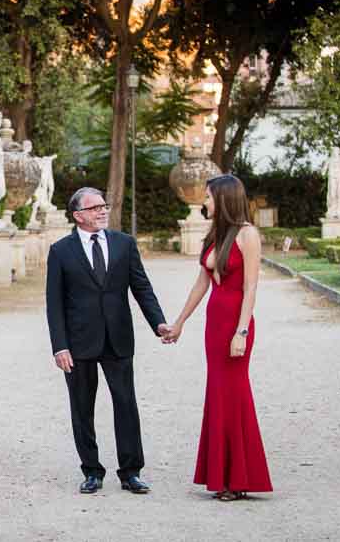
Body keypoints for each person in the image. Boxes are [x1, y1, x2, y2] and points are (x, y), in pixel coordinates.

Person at [45, 187, 169, 494]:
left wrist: (159, 322)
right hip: (78, 344)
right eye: (95, 208)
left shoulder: (124, 244)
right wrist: (60, 346)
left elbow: (142, 287)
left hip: (118, 338)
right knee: (82, 409)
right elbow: (54, 303)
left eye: (104, 206)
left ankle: (131, 472)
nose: (103, 211)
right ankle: (92, 471)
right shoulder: (61, 251)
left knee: (126, 404)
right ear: (78, 216)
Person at [160, 174, 273, 501]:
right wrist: (179, 322)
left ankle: (237, 477)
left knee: (233, 395)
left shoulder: (247, 234)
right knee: (218, 395)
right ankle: (222, 475)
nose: (204, 202)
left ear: (223, 199)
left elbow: (251, 286)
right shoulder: (214, 236)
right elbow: (201, 284)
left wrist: (242, 330)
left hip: (236, 323)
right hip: (215, 324)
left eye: (208, 197)